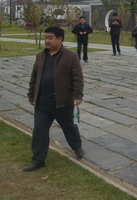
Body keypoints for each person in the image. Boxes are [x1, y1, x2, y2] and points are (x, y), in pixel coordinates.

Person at [23, 26, 84, 171]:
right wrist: (31, 95)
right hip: (43, 102)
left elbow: (77, 78)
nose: (47, 41)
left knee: (69, 127)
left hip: (62, 102)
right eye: (45, 38)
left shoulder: (71, 56)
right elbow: (34, 77)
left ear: (60, 39)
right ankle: (38, 160)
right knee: (39, 131)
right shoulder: (40, 56)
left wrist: (77, 96)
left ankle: (77, 147)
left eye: (50, 38)